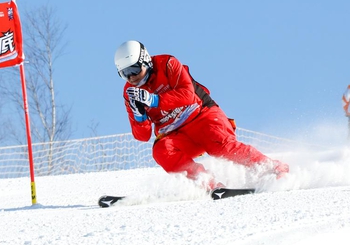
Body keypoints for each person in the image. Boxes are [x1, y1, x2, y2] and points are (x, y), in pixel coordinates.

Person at [114, 40, 288, 192]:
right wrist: (139, 116)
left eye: (134, 69)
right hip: (178, 134)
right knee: (161, 150)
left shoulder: (168, 64)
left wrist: (154, 100)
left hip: (203, 116)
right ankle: (209, 183)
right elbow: (142, 136)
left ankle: (273, 168)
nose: (131, 77)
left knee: (220, 146)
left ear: (145, 60)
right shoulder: (130, 93)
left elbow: (187, 95)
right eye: (124, 73)